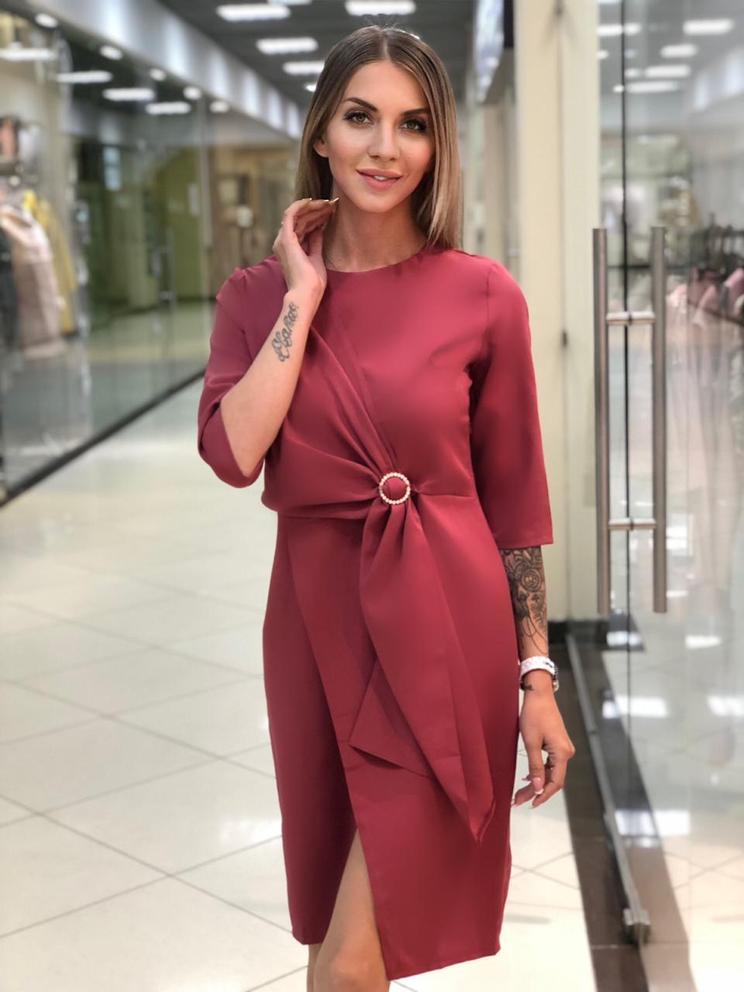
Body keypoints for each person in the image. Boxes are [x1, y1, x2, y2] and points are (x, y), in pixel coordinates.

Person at [197, 24, 576, 992]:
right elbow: (235, 453)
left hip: (444, 624)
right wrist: (303, 294)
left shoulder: (482, 295)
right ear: (321, 131)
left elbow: (515, 503)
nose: (384, 148)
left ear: (437, 145)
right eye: (361, 118)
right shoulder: (257, 298)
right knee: (333, 932)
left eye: (413, 125)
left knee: (352, 959)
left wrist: (536, 676)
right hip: (315, 627)